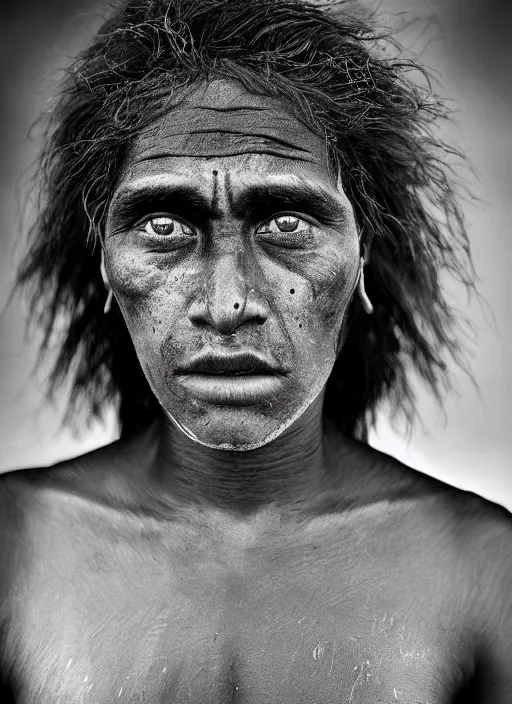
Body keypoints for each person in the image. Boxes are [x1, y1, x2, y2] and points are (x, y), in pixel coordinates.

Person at [0, 0, 510, 700]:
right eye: (164, 224)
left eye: (288, 221)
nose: (227, 302)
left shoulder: (481, 572)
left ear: (363, 258)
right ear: (104, 266)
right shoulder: (14, 551)